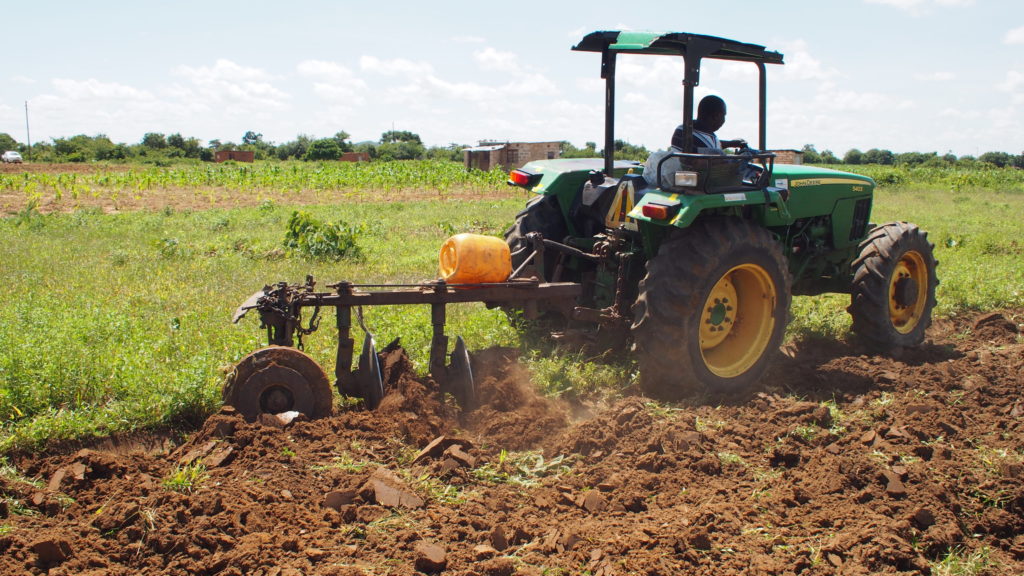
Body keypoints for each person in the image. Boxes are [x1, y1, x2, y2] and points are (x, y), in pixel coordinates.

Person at [670, 95, 747, 153]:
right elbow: (710, 149)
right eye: (724, 115)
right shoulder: (707, 142)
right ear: (716, 116)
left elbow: (711, 144)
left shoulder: (681, 129)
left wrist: (731, 143)